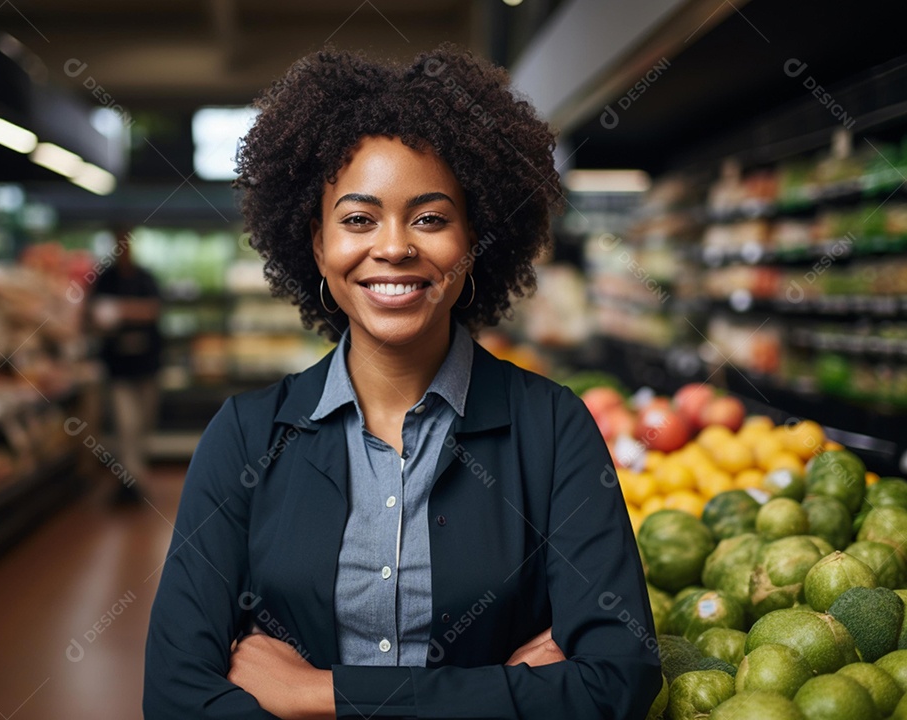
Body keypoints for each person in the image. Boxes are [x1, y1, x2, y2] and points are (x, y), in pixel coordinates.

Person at [144, 44, 660, 719]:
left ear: (475, 238)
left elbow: (615, 685)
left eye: (430, 218)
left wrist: (317, 693)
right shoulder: (244, 438)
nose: (393, 247)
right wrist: (500, 699)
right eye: (358, 219)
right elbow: (176, 699)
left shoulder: (554, 429)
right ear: (316, 241)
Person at [90, 227, 163, 505]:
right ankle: (131, 480)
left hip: (147, 366)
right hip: (118, 368)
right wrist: (132, 310)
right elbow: (95, 317)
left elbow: (152, 310)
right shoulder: (105, 279)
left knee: (143, 424)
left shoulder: (145, 278)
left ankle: (135, 475)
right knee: (126, 424)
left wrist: (119, 310)